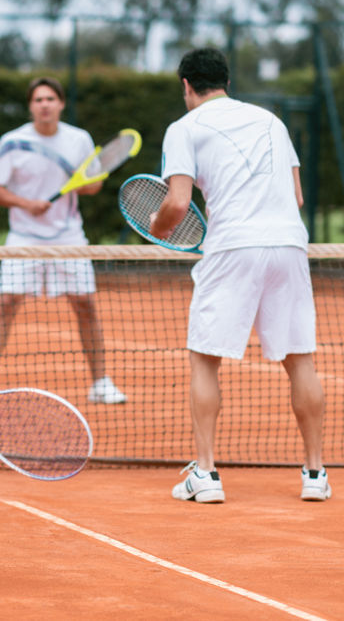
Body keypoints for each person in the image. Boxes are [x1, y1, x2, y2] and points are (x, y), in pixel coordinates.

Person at [150, 47, 330, 503]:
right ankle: (315, 475)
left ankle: (206, 473)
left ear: (186, 86)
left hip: (232, 247)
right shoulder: (271, 121)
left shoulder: (183, 128)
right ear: (225, 82)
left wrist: (155, 228)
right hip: (289, 243)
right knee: (300, 358)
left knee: (205, 359)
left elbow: (175, 203)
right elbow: (297, 196)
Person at [0, 76, 126, 405]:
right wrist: (27, 204)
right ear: (30, 106)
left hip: (69, 236)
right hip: (23, 237)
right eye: (38, 100)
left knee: (86, 306)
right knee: (6, 304)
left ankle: (100, 383)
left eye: (50, 99)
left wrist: (78, 184)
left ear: (61, 104)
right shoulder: (12, 142)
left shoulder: (79, 140)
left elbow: (93, 185)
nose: (45, 105)